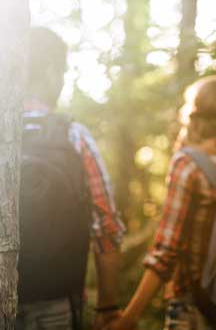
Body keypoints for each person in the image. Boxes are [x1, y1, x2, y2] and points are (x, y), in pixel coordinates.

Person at [106, 76, 216, 330]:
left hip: (194, 305)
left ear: (193, 113)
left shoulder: (188, 164)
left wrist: (129, 317)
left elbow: (166, 252)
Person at [17, 27, 125, 330]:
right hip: (58, 303)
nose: (62, 80)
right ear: (51, 71)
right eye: (61, 71)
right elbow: (106, 227)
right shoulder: (74, 136)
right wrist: (108, 307)